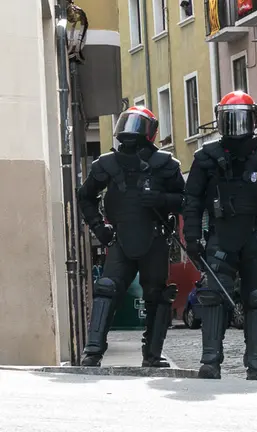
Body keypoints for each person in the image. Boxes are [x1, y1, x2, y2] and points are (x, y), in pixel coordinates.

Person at [183, 91, 257, 380]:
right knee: (213, 295)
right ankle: (210, 361)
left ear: (253, 119)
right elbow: (191, 201)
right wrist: (192, 237)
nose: (236, 126)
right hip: (222, 234)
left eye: (241, 118)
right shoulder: (205, 157)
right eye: (230, 119)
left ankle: (256, 364)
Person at [77, 106, 185, 367]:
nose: (131, 131)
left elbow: (186, 201)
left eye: (138, 125)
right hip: (120, 238)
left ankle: (152, 354)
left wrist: (162, 199)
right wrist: (98, 227)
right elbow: (85, 196)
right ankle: (93, 351)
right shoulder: (107, 163)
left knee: (156, 294)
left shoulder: (166, 165)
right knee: (106, 289)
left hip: (155, 237)